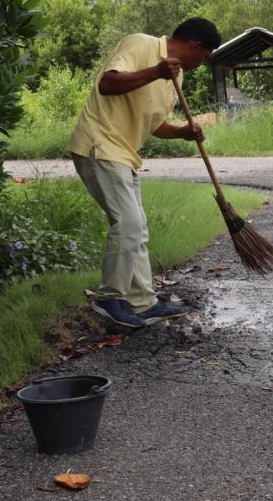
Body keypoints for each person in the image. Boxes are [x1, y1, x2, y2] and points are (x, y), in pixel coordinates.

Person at [69, 17, 222, 329]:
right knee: (128, 222)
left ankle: (143, 302)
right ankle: (109, 299)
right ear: (194, 47)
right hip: (100, 145)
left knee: (138, 229)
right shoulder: (141, 44)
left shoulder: (172, 82)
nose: (201, 64)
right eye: (203, 57)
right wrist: (155, 71)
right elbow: (107, 83)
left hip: (124, 154)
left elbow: (153, 126)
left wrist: (182, 132)